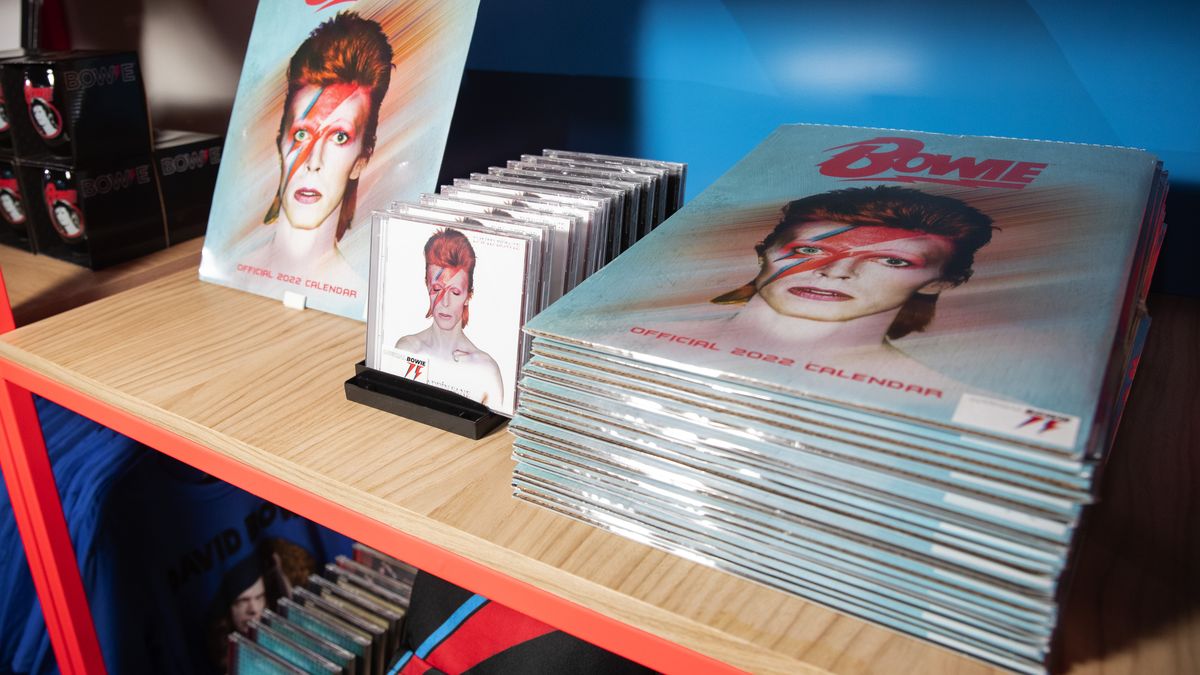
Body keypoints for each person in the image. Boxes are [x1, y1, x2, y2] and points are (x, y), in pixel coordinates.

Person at [710, 186, 994, 362]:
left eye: (892, 261)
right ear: (764, 254)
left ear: (939, 282)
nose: (835, 272)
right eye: (810, 251)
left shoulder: (937, 400)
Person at [242, 12, 393, 287]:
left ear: (361, 159)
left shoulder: (360, 298)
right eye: (302, 134)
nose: (313, 161)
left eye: (339, 137)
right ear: (280, 144)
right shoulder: (232, 271)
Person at [394, 229, 504, 408]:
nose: (445, 302)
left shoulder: (486, 370)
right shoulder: (407, 349)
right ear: (427, 285)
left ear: (468, 294)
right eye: (437, 289)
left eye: (455, 292)